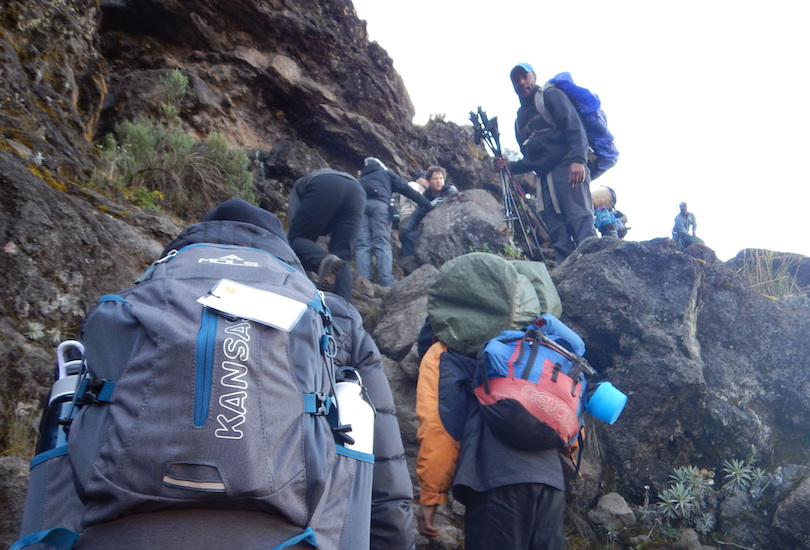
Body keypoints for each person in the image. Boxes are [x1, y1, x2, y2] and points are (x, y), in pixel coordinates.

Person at [65, 198, 416, 549]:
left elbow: (69, 430)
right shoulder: (331, 313)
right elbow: (381, 451)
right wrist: (393, 540)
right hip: (289, 534)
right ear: (281, 250)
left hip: (120, 534)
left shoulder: (133, 301)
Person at [414, 327, 567, 550]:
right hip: (550, 481)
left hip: (495, 481)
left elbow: (440, 429)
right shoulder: (527, 346)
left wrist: (431, 496)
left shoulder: (443, 353)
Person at [493, 62, 595, 264]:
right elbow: (531, 159)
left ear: (534, 77)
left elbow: (574, 126)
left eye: (525, 76)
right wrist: (509, 166)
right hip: (544, 179)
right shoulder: (519, 119)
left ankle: (595, 265)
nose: (522, 82)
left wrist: (578, 160)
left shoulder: (550, 96)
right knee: (557, 229)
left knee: (580, 218)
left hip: (568, 167)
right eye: (516, 79)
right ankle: (568, 275)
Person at [288, 167, 365, 301]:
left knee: (296, 239)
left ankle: (321, 260)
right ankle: (344, 311)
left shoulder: (299, 187)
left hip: (324, 184)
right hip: (357, 192)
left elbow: (296, 226)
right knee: (343, 256)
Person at [356, 157, 432, 287]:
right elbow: (408, 191)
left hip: (360, 206)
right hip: (380, 206)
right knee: (382, 243)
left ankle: (364, 282)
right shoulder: (385, 174)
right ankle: (387, 282)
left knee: (362, 245)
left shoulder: (361, 179)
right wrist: (428, 205)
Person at [399, 166, 458, 257]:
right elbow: (416, 214)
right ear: (428, 181)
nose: (439, 181)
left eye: (441, 178)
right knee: (407, 237)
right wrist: (405, 229)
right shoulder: (426, 196)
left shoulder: (449, 191)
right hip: (428, 226)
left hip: (444, 227)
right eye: (435, 178)